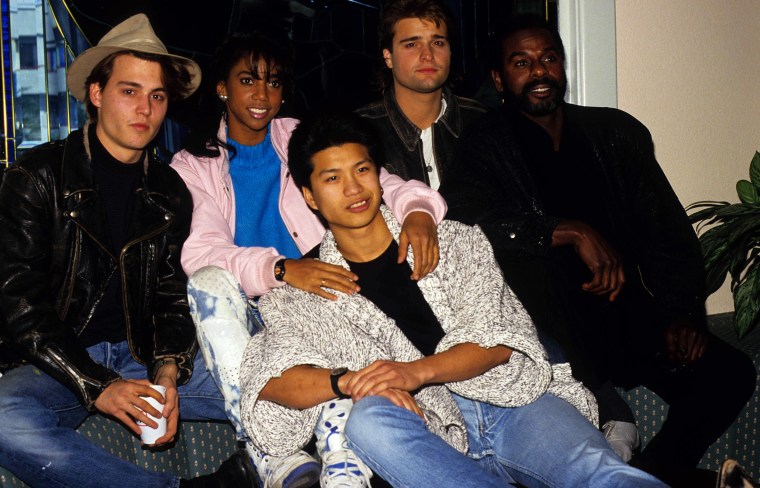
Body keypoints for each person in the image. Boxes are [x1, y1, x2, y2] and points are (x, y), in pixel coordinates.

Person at [235, 110, 668, 488]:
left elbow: (501, 341)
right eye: (332, 178)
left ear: (378, 175)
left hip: (513, 403)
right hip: (430, 428)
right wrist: (350, 381)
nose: (353, 188)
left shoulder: (455, 243)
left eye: (362, 170)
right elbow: (270, 381)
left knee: (600, 473)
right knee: (366, 421)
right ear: (309, 195)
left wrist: (411, 373)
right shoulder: (303, 290)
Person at [440, 14, 756, 487]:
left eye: (549, 58)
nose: (539, 71)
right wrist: (567, 230)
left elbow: (666, 233)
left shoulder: (615, 134)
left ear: (563, 66)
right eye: (521, 62)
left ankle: (651, 474)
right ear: (499, 78)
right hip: (558, 335)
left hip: (630, 317)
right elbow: (471, 228)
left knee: (730, 373)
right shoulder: (481, 147)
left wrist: (682, 313)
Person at [170, 33, 447, 488]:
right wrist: (280, 268)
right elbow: (200, 251)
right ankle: (264, 449)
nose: (262, 96)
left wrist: (419, 211)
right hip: (249, 307)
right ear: (222, 88)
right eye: (247, 80)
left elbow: (380, 181)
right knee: (206, 282)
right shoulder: (194, 163)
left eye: (274, 83)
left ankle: (340, 459)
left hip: (319, 298)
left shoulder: (299, 136)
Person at [0, 14, 258, 488]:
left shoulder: (169, 190)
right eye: (129, 91)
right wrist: (96, 385)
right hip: (58, 358)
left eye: (157, 96)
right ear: (96, 95)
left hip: (140, 354)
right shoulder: (35, 177)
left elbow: (170, 294)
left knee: (280, 389)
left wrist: (168, 370)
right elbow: (20, 304)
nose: (145, 109)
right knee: (4, 419)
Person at [355, 0, 485, 189]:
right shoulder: (358, 131)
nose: (428, 55)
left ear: (450, 52)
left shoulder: (481, 123)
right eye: (411, 44)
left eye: (438, 42)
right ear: (388, 57)